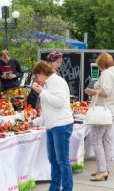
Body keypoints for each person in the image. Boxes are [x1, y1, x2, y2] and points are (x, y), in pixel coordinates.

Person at [31, 61, 74, 191]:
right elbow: (47, 112)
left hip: (61, 125)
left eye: (37, 76)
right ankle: (54, 187)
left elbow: (60, 102)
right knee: (53, 160)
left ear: (42, 73)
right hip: (52, 126)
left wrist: (42, 92)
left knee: (62, 161)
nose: (37, 80)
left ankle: (67, 188)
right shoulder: (48, 85)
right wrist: (32, 122)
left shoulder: (57, 82)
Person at [85, 53, 114, 181]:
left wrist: (92, 91)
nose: (98, 66)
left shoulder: (106, 74)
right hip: (110, 111)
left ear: (102, 63)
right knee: (106, 140)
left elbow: (105, 92)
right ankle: (105, 168)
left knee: (95, 139)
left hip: (102, 111)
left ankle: (102, 170)